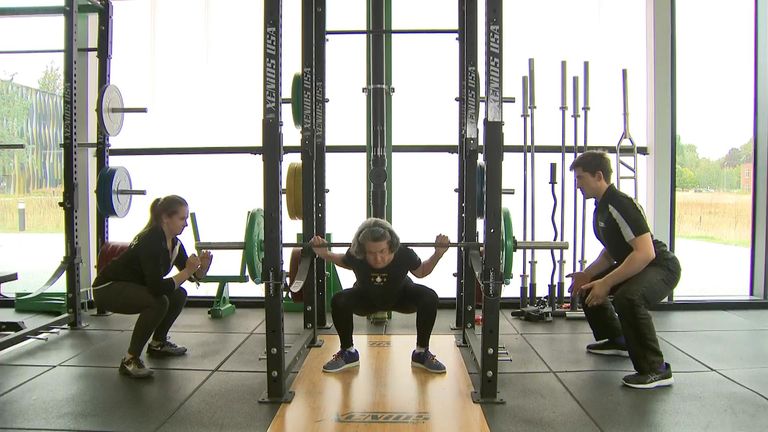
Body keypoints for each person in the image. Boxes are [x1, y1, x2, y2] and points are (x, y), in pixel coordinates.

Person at [568, 150, 681, 389]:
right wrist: (589, 274)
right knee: (589, 287)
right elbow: (611, 252)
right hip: (640, 264)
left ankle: (656, 369)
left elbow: (645, 252)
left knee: (628, 298)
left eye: (580, 178)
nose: (577, 184)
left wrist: (606, 283)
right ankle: (618, 339)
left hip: (661, 266)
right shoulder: (601, 207)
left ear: (599, 176)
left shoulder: (620, 203)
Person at [92, 195, 212, 379]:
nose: (186, 224)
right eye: (182, 218)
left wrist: (201, 268)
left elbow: (191, 276)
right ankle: (130, 360)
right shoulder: (151, 240)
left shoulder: (175, 244)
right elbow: (157, 287)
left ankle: (158, 343)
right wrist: (187, 271)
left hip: (129, 286)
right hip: (107, 289)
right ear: (165, 218)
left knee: (178, 294)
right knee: (159, 301)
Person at [310, 218, 449, 374]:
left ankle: (421, 353)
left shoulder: (404, 253)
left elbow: (422, 271)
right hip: (366, 299)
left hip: (401, 298)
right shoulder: (356, 255)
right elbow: (344, 261)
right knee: (339, 300)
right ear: (363, 251)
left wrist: (438, 254)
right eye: (371, 253)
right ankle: (348, 352)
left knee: (429, 296)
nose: (378, 258)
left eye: (382, 251)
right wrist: (324, 254)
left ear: (391, 246)